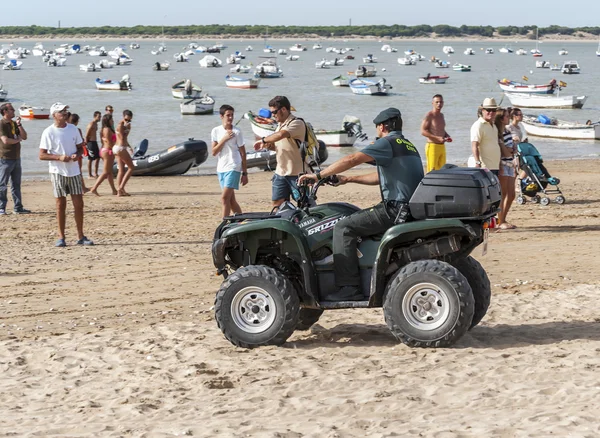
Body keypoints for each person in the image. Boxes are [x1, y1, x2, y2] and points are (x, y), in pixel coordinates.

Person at [298, 108, 424, 301]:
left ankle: (349, 287)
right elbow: (380, 177)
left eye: (377, 128)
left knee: (343, 227)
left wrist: (317, 176)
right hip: (408, 208)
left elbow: (352, 158)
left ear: (382, 126)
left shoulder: (386, 142)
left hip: (395, 209)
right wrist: (349, 179)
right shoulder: (407, 145)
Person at [39, 103, 93, 247]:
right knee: (60, 204)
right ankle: (61, 236)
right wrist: (59, 158)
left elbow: (81, 149)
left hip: (74, 171)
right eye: (61, 111)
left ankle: (81, 236)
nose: (64, 113)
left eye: (65, 111)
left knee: (79, 204)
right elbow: (42, 155)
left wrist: (77, 155)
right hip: (57, 172)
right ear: (54, 115)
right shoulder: (48, 132)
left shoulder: (73, 129)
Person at [252, 96, 305, 208]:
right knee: (277, 205)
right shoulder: (279, 126)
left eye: (274, 112)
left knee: (304, 205)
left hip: (296, 173)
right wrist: (268, 146)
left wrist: (263, 139)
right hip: (281, 172)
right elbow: (279, 145)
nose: (273, 115)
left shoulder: (296, 123)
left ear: (284, 109)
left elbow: (281, 135)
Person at [211, 104, 248, 218]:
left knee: (224, 198)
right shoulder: (216, 131)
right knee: (231, 201)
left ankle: (224, 224)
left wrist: (245, 173)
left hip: (234, 166)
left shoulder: (237, 132)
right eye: (228, 115)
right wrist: (224, 139)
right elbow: (214, 152)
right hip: (221, 168)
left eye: (232, 115)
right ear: (221, 116)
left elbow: (243, 152)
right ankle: (242, 222)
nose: (231, 118)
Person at [0, 103, 30, 215]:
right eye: (11, 109)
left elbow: (24, 136)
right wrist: (17, 140)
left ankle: (18, 207)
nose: (13, 111)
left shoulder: (13, 124)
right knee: (2, 184)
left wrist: (19, 125)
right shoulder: (1, 124)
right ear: (5, 112)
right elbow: (6, 140)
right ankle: (1, 207)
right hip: (5, 158)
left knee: (16, 184)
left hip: (16, 157)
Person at [495, 108, 517, 230]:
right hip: (503, 164)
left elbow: (510, 150)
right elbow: (502, 151)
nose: (509, 118)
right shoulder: (499, 134)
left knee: (511, 194)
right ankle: (500, 220)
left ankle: (503, 218)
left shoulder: (507, 132)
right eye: (507, 116)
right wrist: (510, 150)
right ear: (501, 118)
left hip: (511, 163)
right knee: (503, 194)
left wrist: (511, 150)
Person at [420, 94, 451, 172]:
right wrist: (437, 138)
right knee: (432, 171)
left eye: (440, 102)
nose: (439, 104)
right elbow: (423, 131)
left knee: (443, 170)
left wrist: (446, 135)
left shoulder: (441, 115)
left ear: (443, 103)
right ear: (432, 103)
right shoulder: (429, 115)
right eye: (436, 102)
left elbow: (440, 129)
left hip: (442, 146)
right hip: (432, 146)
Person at [89, 114, 118, 196]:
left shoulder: (104, 129)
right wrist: (115, 151)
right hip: (107, 151)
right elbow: (109, 142)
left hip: (104, 150)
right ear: (107, 121)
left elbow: (104, 141)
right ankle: (94, 188)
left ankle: (114, 190)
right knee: (106, 172)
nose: (113, 121)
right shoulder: (107, 130)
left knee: (109, 172)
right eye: (111, 120)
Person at [470, 98, 500, 175]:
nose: (491, 112)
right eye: (488, 110)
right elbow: (474, 146)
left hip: (495, 166)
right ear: (483, 110)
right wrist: (477, 162)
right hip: (484, 167)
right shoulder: (478, 125)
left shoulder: (494, 126)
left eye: (493, 110)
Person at [113, 109, 134, 196]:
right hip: (120, 148)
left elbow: (125, 139)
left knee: (121, 170)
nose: (128, 121)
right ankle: (121, 187)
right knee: (131, 167)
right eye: (126, 119)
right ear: (123, 117)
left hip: (120, 147)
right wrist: (126, 128)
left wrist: (129, 146)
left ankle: (120, 192)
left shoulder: (127, 125)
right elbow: (122, 138)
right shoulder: (120, 125)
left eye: (129, 120)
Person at [68, 113, 90, 194]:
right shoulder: (77, 130)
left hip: (70, 152)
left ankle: (77, 187)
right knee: (78, 171)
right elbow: (80, 142)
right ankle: (83, 188)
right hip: (77, 152)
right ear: (77, 121)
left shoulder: (67, 129)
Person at [85, 111, 102, 178]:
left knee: (98, 158)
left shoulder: (96, 124)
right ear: (95, 116)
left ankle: (96, 173)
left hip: (95, 142)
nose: (100, 118)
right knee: (90, 158)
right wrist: (87, 144)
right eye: (99, 116)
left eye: (100, 116)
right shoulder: (91, 124)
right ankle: (89, 174)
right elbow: (86, 135)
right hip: (90, 143)